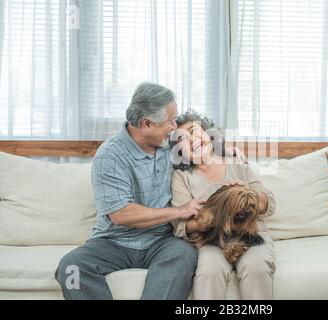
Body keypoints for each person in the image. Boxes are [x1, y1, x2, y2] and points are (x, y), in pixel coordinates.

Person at [55, 82, 203, 300]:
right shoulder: (110, 155)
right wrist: (179, 211)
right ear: (146, 124)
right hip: (113, 242)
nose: (174, 126)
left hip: (161, 240)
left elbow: (202, 145)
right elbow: (121, 214)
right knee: (70, 268)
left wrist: (227, 153)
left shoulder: (169, 144)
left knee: (184, 255)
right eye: (170, 121)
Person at [170, 111, 276, 300]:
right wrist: (211, 217)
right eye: (182, 139)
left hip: (251, 235)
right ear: (179, 153)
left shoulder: (236, 162)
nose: (192, 139)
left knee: (256, 267)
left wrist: (244, 196)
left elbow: (267, 202)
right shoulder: (182, 177)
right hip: (211, 242)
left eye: (194, 131)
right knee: (209, 271)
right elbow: (181, 226)